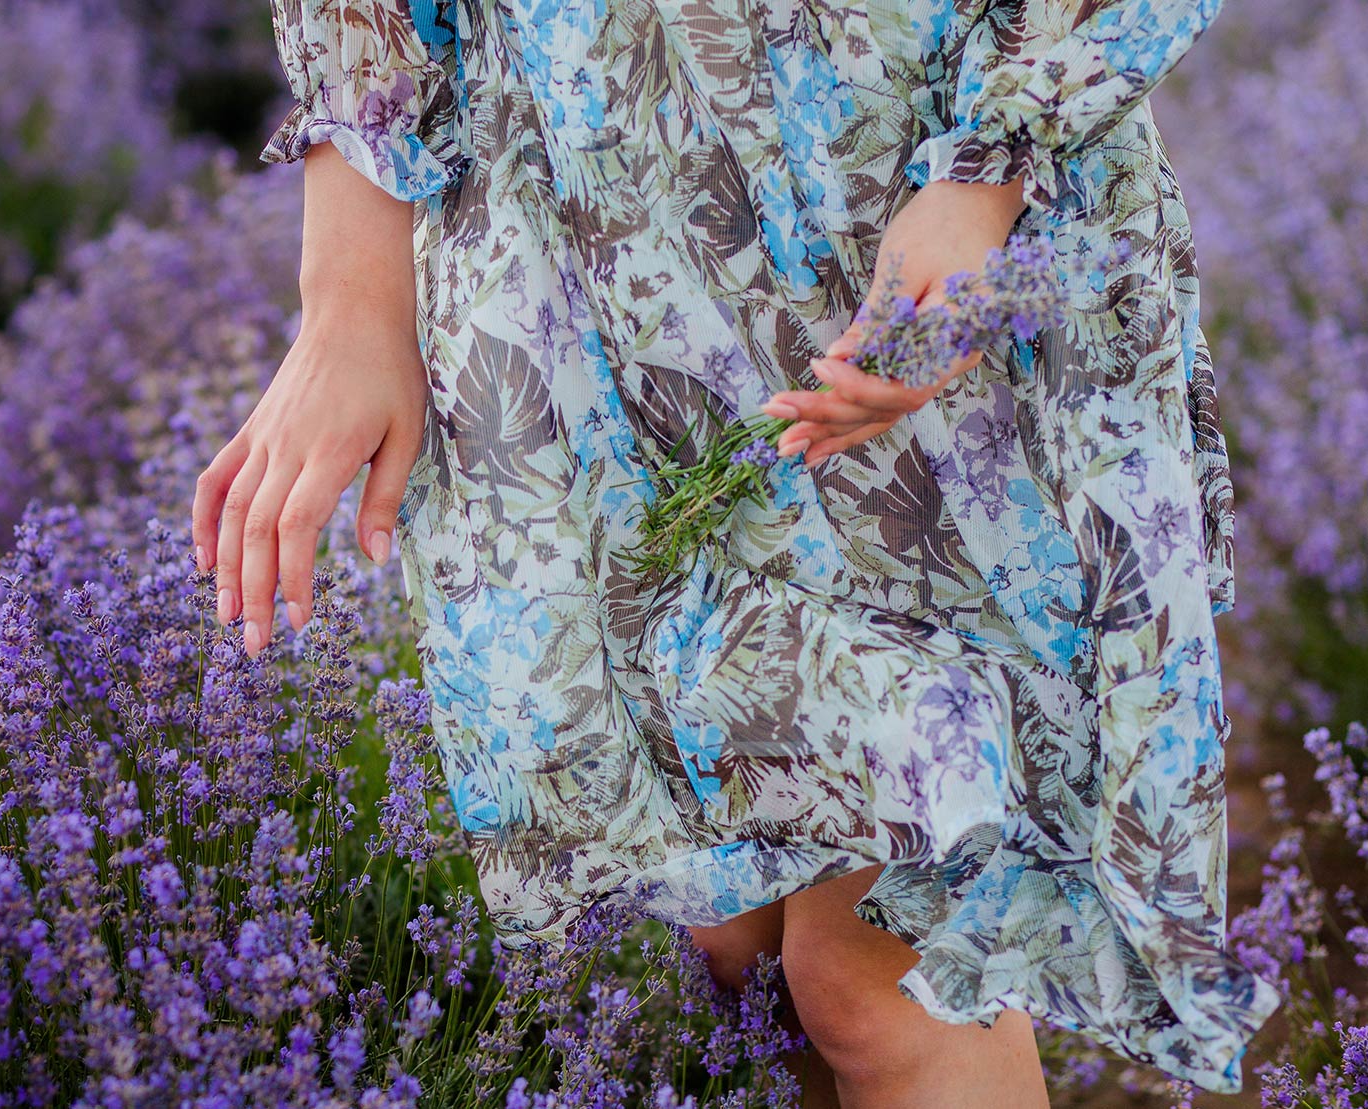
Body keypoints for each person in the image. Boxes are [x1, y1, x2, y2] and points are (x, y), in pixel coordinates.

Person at [189, 0, 1283, 1103]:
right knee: (732, 965)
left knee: (873, 973)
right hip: (584, 316)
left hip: (907, 244)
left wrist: (986, 173)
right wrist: (348, 303)